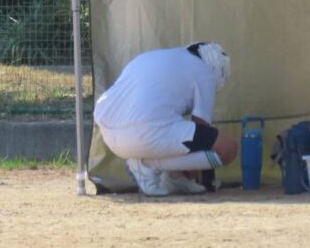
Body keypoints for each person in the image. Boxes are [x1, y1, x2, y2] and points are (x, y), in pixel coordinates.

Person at [93, 42, 237, 196]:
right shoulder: (205, 72)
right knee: (228, 149)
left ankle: (175, 178)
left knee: (179, 131)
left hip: (110, 136)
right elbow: (202, 126)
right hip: (145, 133)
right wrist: (198, 171)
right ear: (217, 71)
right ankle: (147, 165)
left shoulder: (154, 58)